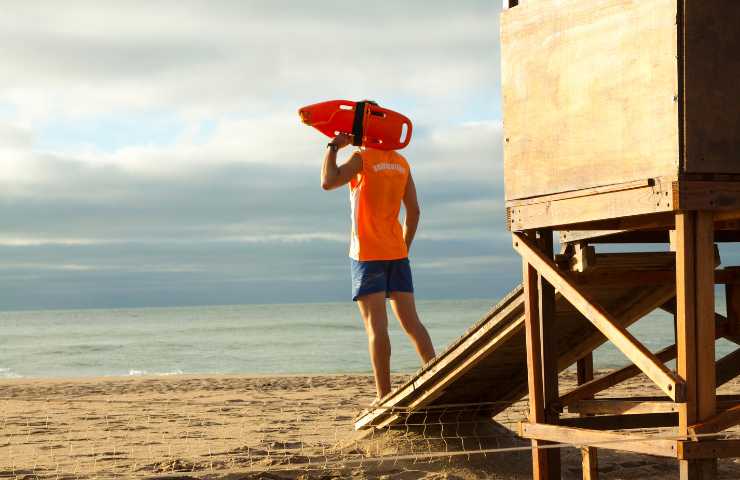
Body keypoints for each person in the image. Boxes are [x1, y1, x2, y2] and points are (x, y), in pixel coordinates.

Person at [320, 132, 435, 403]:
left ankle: (384, 395)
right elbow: (414, 211)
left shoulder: (362, 159)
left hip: (367, 254)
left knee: (377, 327)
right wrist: (403, 247)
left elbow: (328, 182)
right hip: (397, 252)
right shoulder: (401, 163)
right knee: (412, 323)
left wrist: (334, 146)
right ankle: (437, 376)